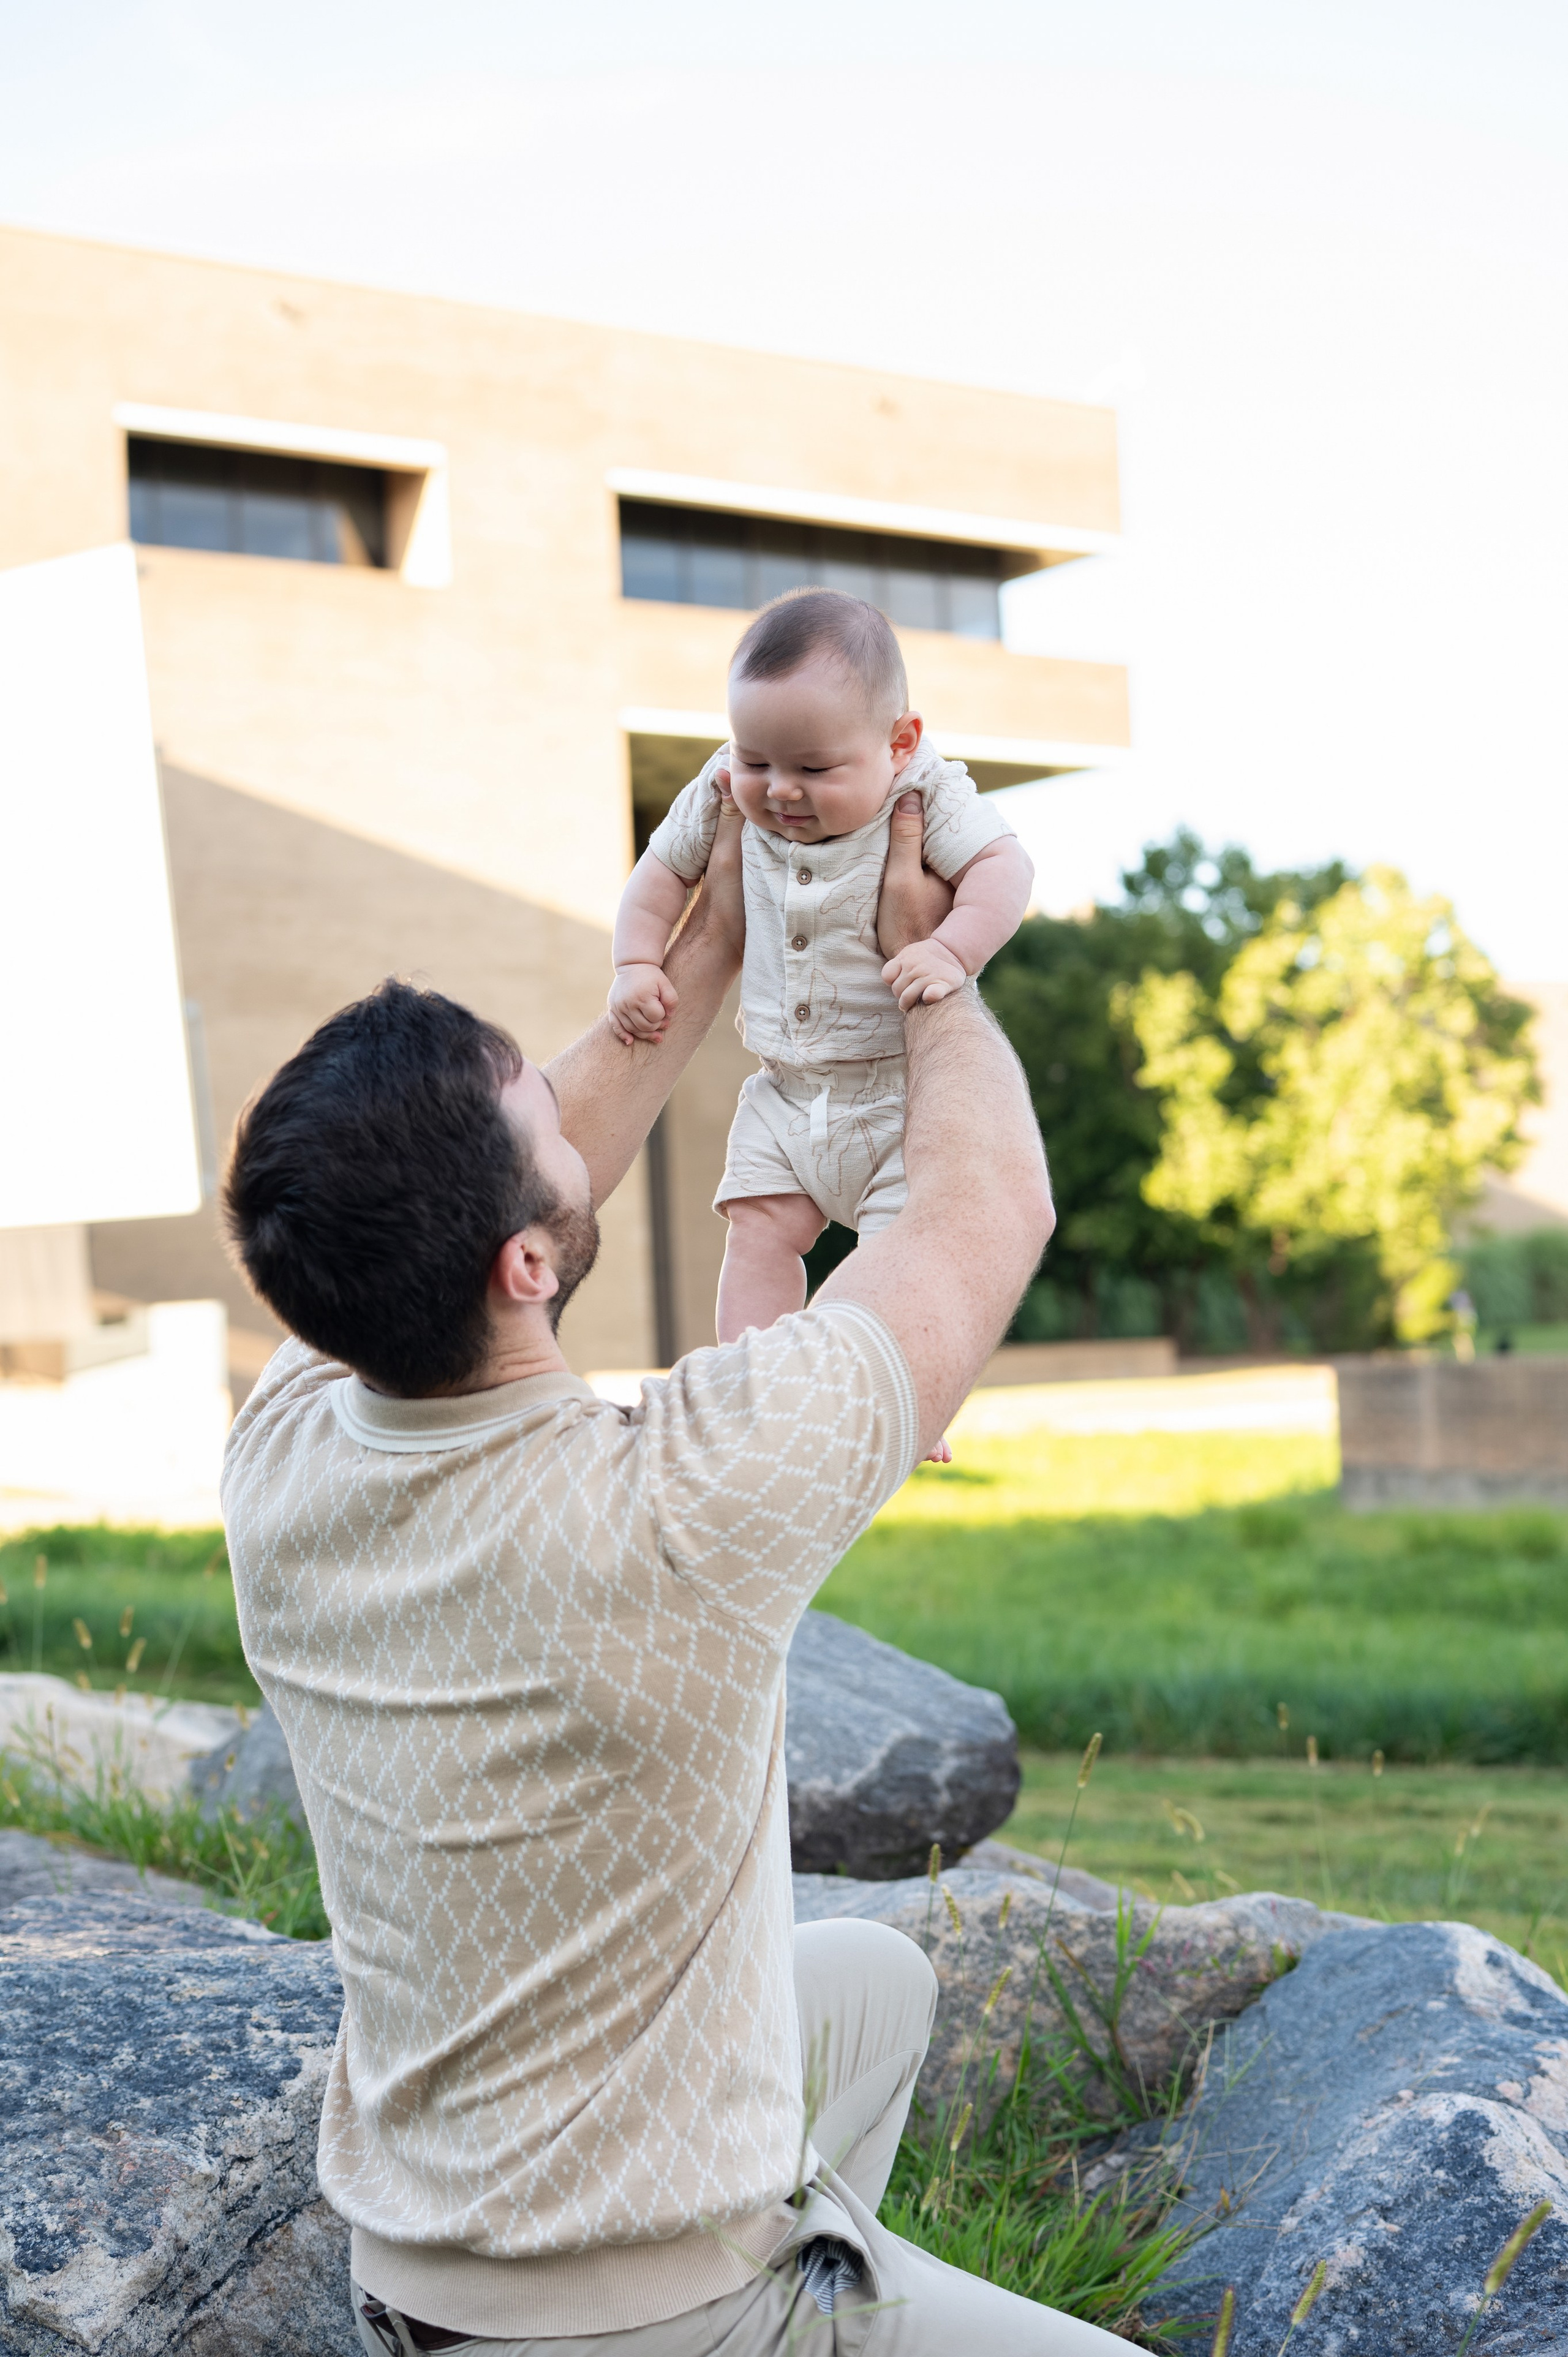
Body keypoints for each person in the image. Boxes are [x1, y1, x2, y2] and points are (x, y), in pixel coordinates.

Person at [220, 798, 1118, 2354]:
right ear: (524, 1263)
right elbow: (992, 1209)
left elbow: (475, 1187)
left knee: (867, 1985)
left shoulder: (282, 1444)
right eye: (548, 1122)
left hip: (416, 2262)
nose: (580, 1117)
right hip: (628, 2306)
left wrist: (706, 945)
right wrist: (929, 958)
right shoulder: (679, 1502)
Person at [608, 589, 1035, 1355]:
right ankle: (752, 1371)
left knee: (901, 1256)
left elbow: (1004, 867)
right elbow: (659, 875)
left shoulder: (926, 788)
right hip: (785, 1086)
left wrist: (952, 948)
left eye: (813, 766)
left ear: (899, 740)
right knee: (757, 1230)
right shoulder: (718, 788)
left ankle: (905, 1382)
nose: (778, 790)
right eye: (754, 759)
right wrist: (637, 962)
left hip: (897, 1094)